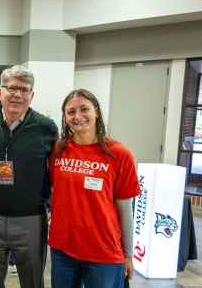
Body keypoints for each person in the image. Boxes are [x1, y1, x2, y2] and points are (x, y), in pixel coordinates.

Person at [0, 65, 58, 288]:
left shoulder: (46, 128)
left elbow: (57, 172)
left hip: (31, 219)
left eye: (24, 90)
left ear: (32, 95)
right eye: (12, 88)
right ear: (0, 93)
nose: (18, 95)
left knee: (32, 281)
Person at [48, 89, 140, 288]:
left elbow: (125, 210)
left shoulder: (120, 154)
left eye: (84, 109)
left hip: (103, 252)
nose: (78, 116)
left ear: (96, 111)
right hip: (63, 248)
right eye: (71, 112)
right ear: (65, 117)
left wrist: (128, 254)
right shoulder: (59, 149)